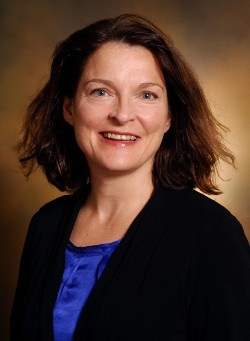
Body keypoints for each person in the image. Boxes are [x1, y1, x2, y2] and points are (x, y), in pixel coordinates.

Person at [11, 14, 250, 340]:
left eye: (147, 95)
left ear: (169, 117)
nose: (122, 114)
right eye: (100, 92)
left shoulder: (212, 236)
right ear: (69, 108)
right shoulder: (45, 226)